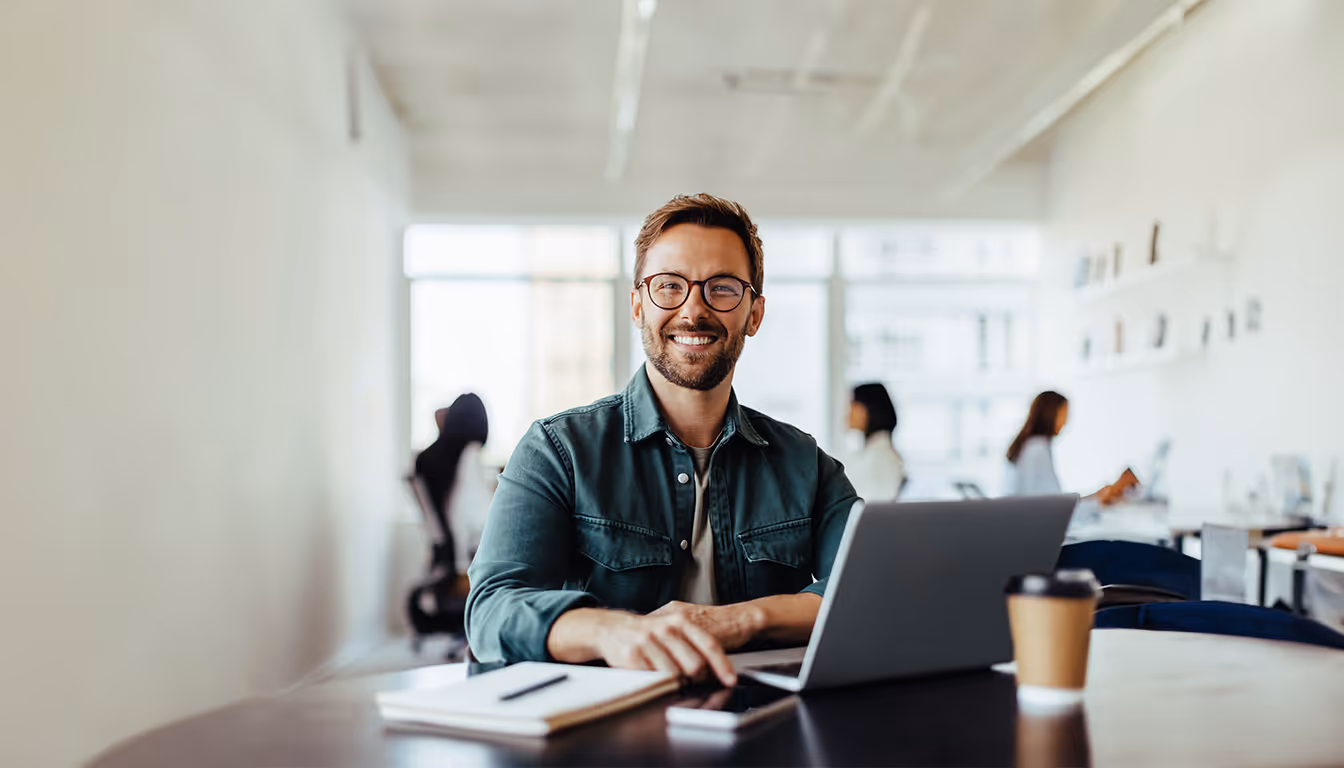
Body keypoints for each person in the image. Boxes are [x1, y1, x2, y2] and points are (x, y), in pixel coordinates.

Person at [466, 194, 859, 687]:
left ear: (754, 314)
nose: (693, 311)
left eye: (722, 288)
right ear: (637, 305)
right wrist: (612, 631)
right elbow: (491, 609)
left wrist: (739, 619)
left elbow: (867, 591)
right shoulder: (558, 450)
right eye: (669, 286)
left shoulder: (807, 465)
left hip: (765, 724)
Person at [1004, 391, 1136, 503]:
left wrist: (1102, 493)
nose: (1065, 422)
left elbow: (1056, 503)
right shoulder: (1037, 449)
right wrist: (1104, 495)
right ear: (1051, 414)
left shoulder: (1031, 446)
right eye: (1064, 414)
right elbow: (1055, 508)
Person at [415, 393, 493, 574]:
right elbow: (468, 519)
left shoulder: (426, 459)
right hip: (464, 564)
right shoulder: (469, 455)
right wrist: (462, 567)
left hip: (442, 560)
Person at [846, 383, 906, 502]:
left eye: (853, 404)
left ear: (869, 408)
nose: (848, 412)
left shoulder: (881, 456)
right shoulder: (873, 452)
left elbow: (873, 506)